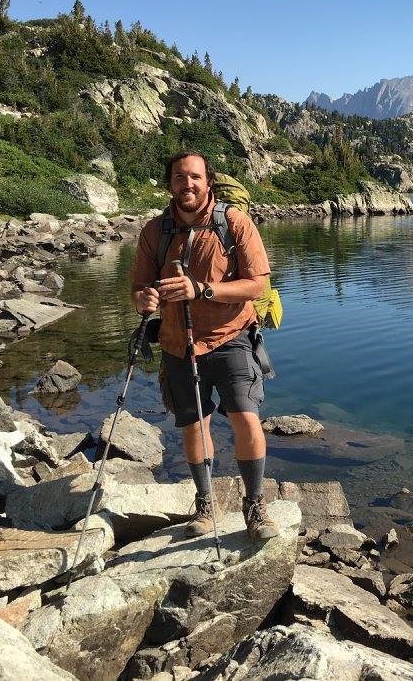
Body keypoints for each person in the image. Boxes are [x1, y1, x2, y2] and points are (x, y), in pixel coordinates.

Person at [130, 149, 276, 541]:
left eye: (194, 177)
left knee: (245, 417)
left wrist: (203, 289)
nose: (187, 184)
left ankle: (255, 506)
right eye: (180, 177)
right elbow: (139, 287)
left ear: (208, 181)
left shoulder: (234, 223)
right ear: (170, 184)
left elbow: (257, 284)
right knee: (194, 424)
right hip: (178, 344)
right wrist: (144, 299)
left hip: (231, 338)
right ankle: (205, 502)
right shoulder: (154, 232)